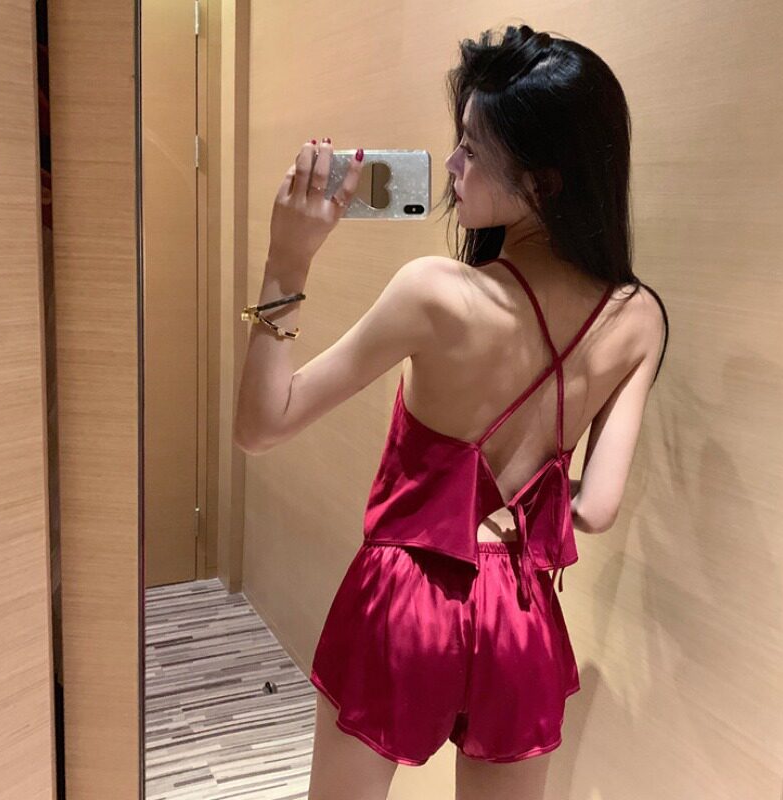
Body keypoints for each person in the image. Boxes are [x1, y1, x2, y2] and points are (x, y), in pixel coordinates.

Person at [234, 22, 669, 800]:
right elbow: (597, 509)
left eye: (471, 148)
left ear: (545, 181)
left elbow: (262, 427)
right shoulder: (638, 318)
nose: (452, 167)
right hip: (522, 616)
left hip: (406, 601)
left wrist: (286, 262)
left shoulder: (436, 293)